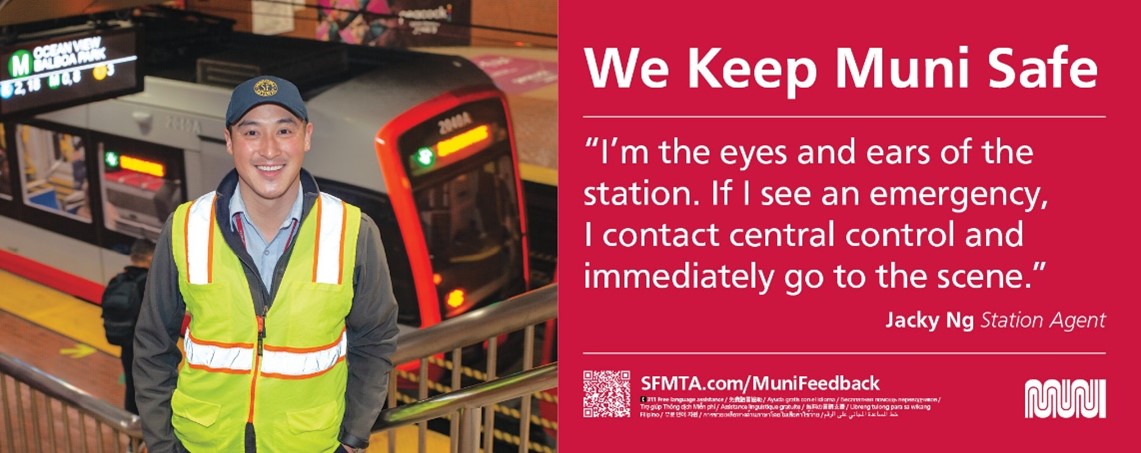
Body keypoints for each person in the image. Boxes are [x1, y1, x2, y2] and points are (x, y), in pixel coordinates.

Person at [133, 75, 399, 453]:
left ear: (307, 137)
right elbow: (152, 343)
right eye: (252, 133)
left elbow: (376, 340)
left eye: (284, 130)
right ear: (229, 141)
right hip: (202, 444)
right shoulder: (185, 226)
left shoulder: (354, 232)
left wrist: (353, 438)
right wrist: (162, 443)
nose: (270, 150)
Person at [101, 237, 155, 415]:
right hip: (147, 347)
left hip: (126, 344)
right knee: (152, 390)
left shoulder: (118, 279)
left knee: (132, 387)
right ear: (149, 258)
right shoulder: (149, 282)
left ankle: (132, 431)